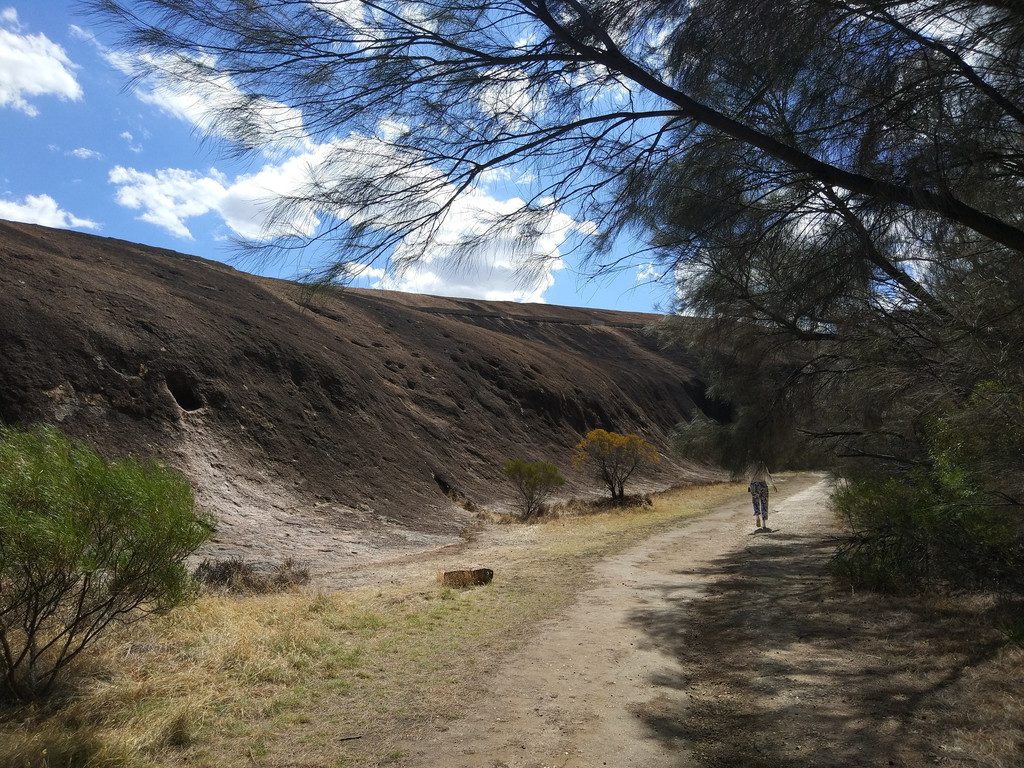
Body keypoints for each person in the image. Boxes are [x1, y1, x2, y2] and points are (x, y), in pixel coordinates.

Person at [747, 462, 778, 529]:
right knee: (764, 502)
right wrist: (773, 485)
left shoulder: (751, 465)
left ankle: (757, 516)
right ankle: (764, 522)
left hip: (754, 485)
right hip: (763, 485)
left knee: (755, 501)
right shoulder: (763, 464)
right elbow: (767, 476)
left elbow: (749, 476)